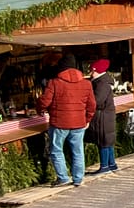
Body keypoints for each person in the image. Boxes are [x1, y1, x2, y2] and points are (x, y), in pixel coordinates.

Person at [37, 56, 96, 186]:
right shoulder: (86, 84)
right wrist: (87, 119)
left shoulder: (54, 83)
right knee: (78, 151)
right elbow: (92, 105)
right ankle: (78, 179)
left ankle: (63, 178)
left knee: (57, 150)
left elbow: (45, 101)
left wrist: (39, 108)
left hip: (59, 123)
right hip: (79, 123)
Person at [88, 58, 119, 175]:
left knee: (103, 141)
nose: (90, 72)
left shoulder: (101, 84)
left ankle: (105, 166)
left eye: (92, 70)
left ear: (96, 71)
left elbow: (97, 101)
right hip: (106, 116)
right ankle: (112, 164)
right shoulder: (104, 82)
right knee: (107, 141)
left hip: (103, 117)